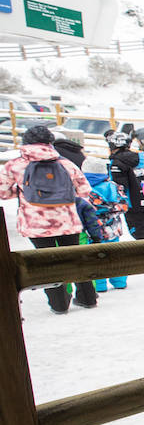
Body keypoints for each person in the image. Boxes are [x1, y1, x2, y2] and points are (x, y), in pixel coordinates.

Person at [0, 124, 98, 312]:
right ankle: (88, 298)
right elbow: (84, 190)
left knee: (47, 264)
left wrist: (24, 192)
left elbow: (3, 192)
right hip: (67, 222)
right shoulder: (65, 163)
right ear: (50, 142)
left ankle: (59, 304)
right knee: (74, 258)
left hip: (36, 224)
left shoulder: (15, 165)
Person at [80, 159, 129, 291]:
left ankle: (100, 284)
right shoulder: (113, 186)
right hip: (113, 229)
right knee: (114, 256)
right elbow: (124, 205)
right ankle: (119, 281)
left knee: (96, 257)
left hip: (93, 230)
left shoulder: (84, 189)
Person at [105, 130, 144, 240]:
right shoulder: (142, 158)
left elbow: (119, 186)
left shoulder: (117, 163)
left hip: (132, 203)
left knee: (138, 232)